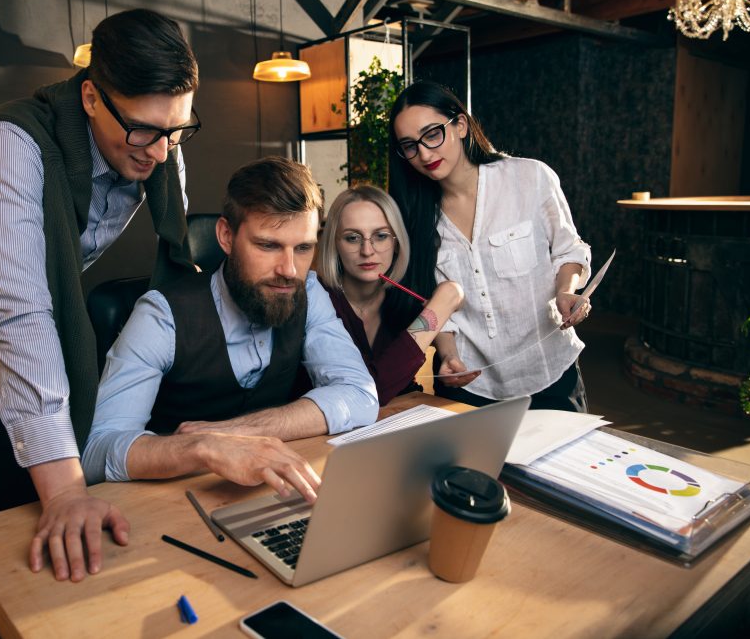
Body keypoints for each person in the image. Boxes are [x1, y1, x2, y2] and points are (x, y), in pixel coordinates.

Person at [0, 9, 200, 582]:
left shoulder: (159, 142)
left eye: (178, 130)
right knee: (9, 521)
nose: (160, 153)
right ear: (91, 97)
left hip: (44, 331)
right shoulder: (9, 145)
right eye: (142, 129)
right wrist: (65, 491)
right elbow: (20, 316)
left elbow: (176, 258)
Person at [83, 156, 379, 499]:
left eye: (303, 248)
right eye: (268, 245)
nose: (290, 270)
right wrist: (201, 448)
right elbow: (96, 450)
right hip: (170, 506)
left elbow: (359, 394)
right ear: (226, 235)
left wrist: (233, 432)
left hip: (270, 495)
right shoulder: (161, 314)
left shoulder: (308, 290)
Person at [386, 80, 592, 412]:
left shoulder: (530, 177)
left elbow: (568, 249)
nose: (424, 153)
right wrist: (449, 356)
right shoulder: (416, 218)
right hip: (472, 385)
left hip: (549, 372)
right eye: (409, 145)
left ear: (461, 125)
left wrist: (566, 291)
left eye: (432, 134)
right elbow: (437, 303)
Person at [314, 185, 463, 406]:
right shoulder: (318, 299)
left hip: (403, 417)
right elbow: (370, 391)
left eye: (381, 236)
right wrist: (445, 301)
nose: (367, 250)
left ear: (396, 243)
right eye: (352, 238)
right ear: (335, 244)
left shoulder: (404, 296)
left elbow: (440, 323)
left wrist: (449, 356)